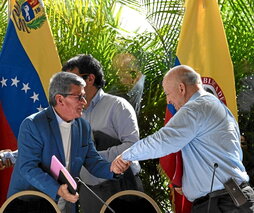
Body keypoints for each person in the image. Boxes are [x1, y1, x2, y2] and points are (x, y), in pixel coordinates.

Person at [112, 65, 254, 212]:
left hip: (223, 203)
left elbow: (162, 141)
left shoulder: (197, 107)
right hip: (228, 199)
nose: (168, 101)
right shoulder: (212, 105)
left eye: (168, 94)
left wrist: (126, 156)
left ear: (181, 88)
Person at [7, 72, 125, 213]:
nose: (84, 102)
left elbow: (93, 161)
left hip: (66, 203)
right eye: (79, 97)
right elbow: (28, 168)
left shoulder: (83, 126)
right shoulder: (33, 124)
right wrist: (57, 189)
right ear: (60, 99)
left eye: (84, 96)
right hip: (30, 203)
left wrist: (112, 169)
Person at [62, 54, 143, 213]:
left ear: (90, 79)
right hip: (89, 192)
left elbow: (134, 147)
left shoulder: (117, 106)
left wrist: (94, 159)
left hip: (122, 191)